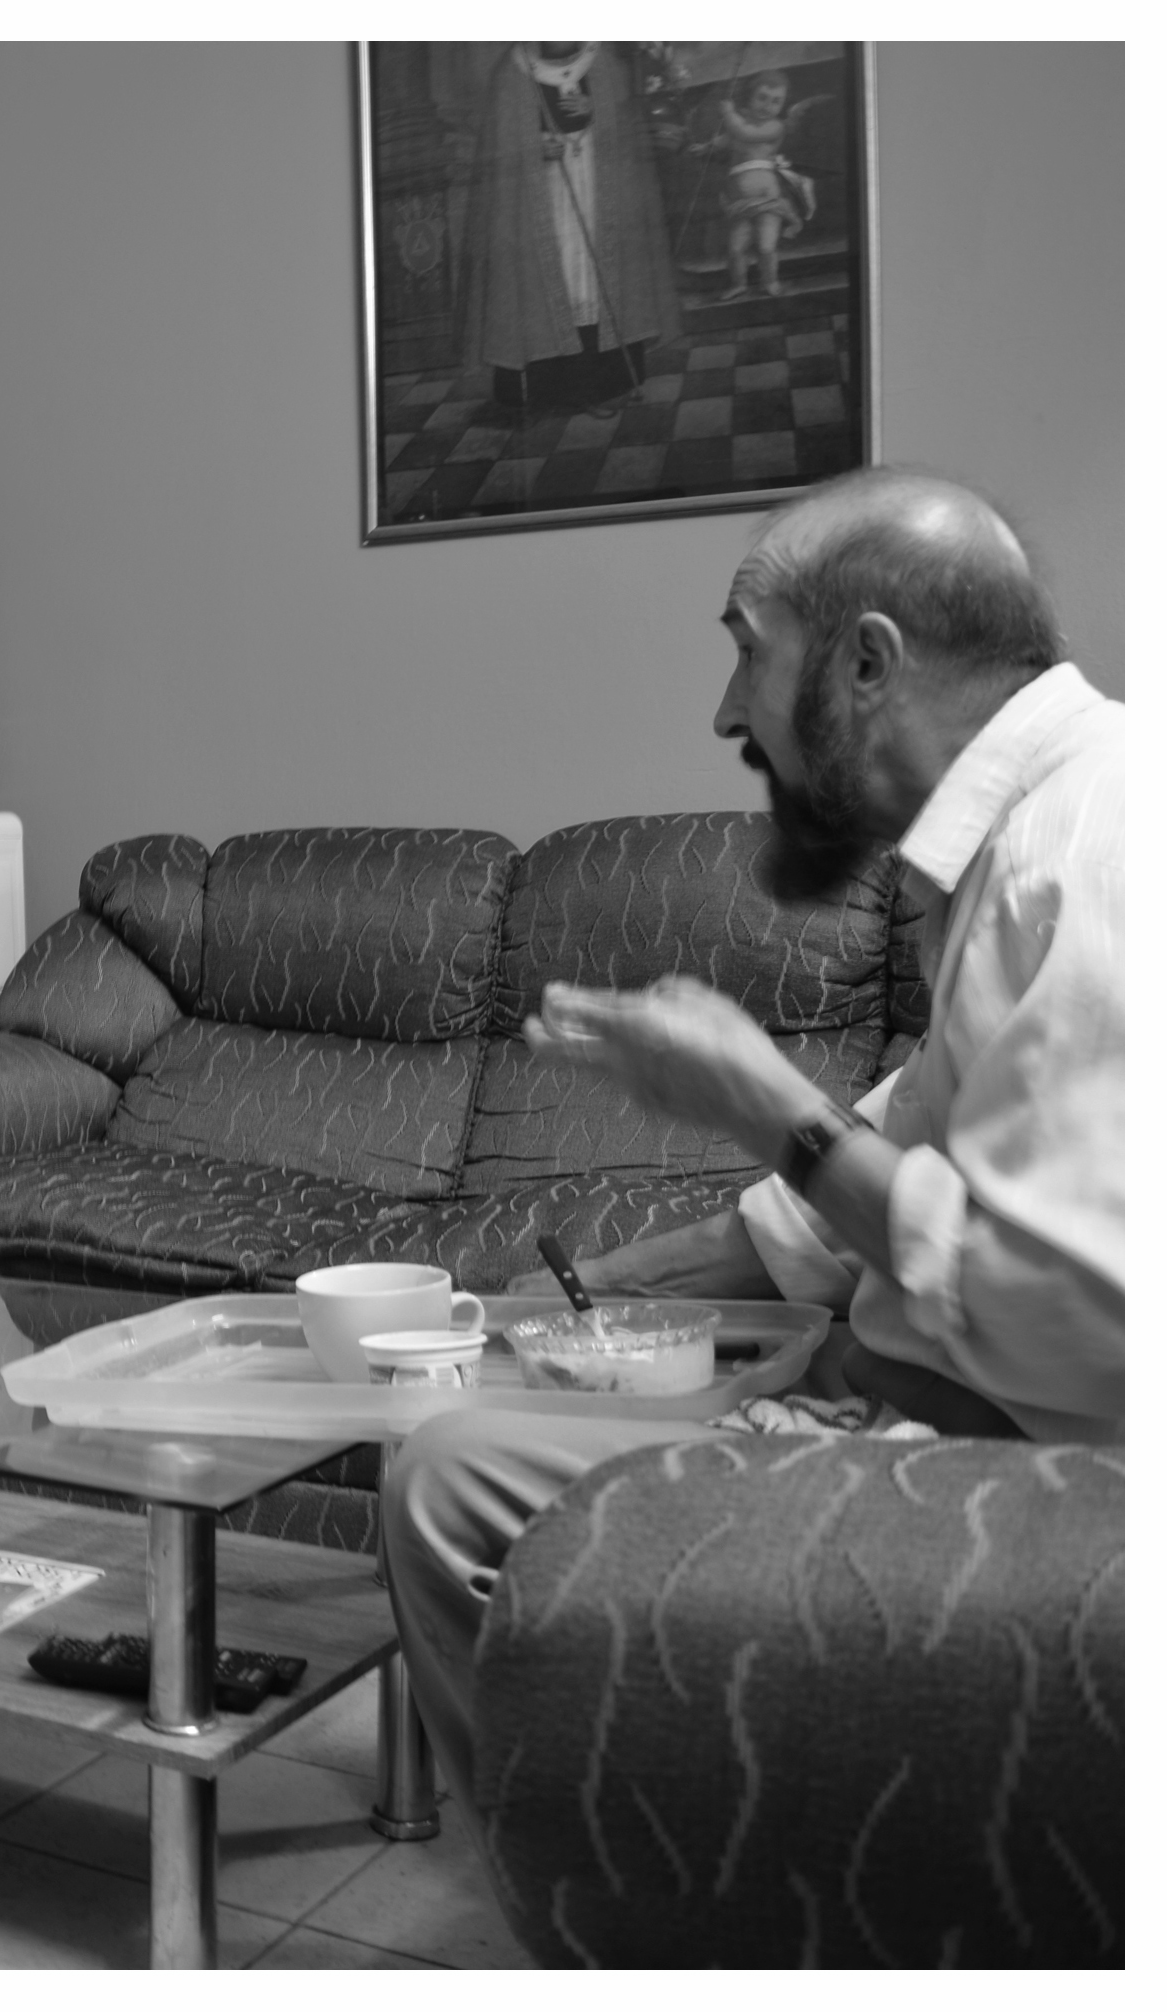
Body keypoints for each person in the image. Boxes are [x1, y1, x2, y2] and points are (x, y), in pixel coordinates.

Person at [380, 466, 1124, 1834]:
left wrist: (763, 1101)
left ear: (865, 662)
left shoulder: (1087, 852)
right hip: (883, 1402)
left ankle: (625, 1899)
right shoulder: (1015, 848)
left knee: (448, 1487)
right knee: (470, 1431)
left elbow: (1081, 1309)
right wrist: (570, 1300)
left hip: (1035, 1495)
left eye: (745, 648)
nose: (726, 712)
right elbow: (854, 1190)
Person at [442, 42, 686, 417]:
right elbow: (500, 147)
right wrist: (534, 149)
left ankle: (608, 384)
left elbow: (624, 128)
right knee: (553, 284)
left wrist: (595, 111)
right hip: (541, 199)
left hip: (597, 193)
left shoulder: (603, 63)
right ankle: (551, 391)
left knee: (595, 278)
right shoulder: (511, 73)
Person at [702, 70, 817, 301]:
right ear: (749, 97)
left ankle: (770, 282)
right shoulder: (740, 123)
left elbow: (746, 134)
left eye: (776, 101)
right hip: (740, 202)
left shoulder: (774, 127)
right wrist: (707, 146)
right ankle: (738, 284)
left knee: (765, 247)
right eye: (762, 98)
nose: (767, 106)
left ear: (782, 105)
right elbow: (728, 139)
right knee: (735, 249)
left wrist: (729, 113)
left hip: (768, 201)